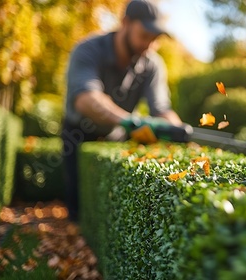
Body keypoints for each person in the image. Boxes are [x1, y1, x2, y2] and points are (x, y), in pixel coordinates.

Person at [61, 0, 188, 222]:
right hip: (78, 134)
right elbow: (85, 99)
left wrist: (177, 132)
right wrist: (131, 121)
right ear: (125, 23)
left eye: (155, 38)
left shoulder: (152, 64)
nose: (149, 44)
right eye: (145, 34)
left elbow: (161, 108)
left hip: (116, 136)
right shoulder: (88, 49)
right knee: (77, 207)